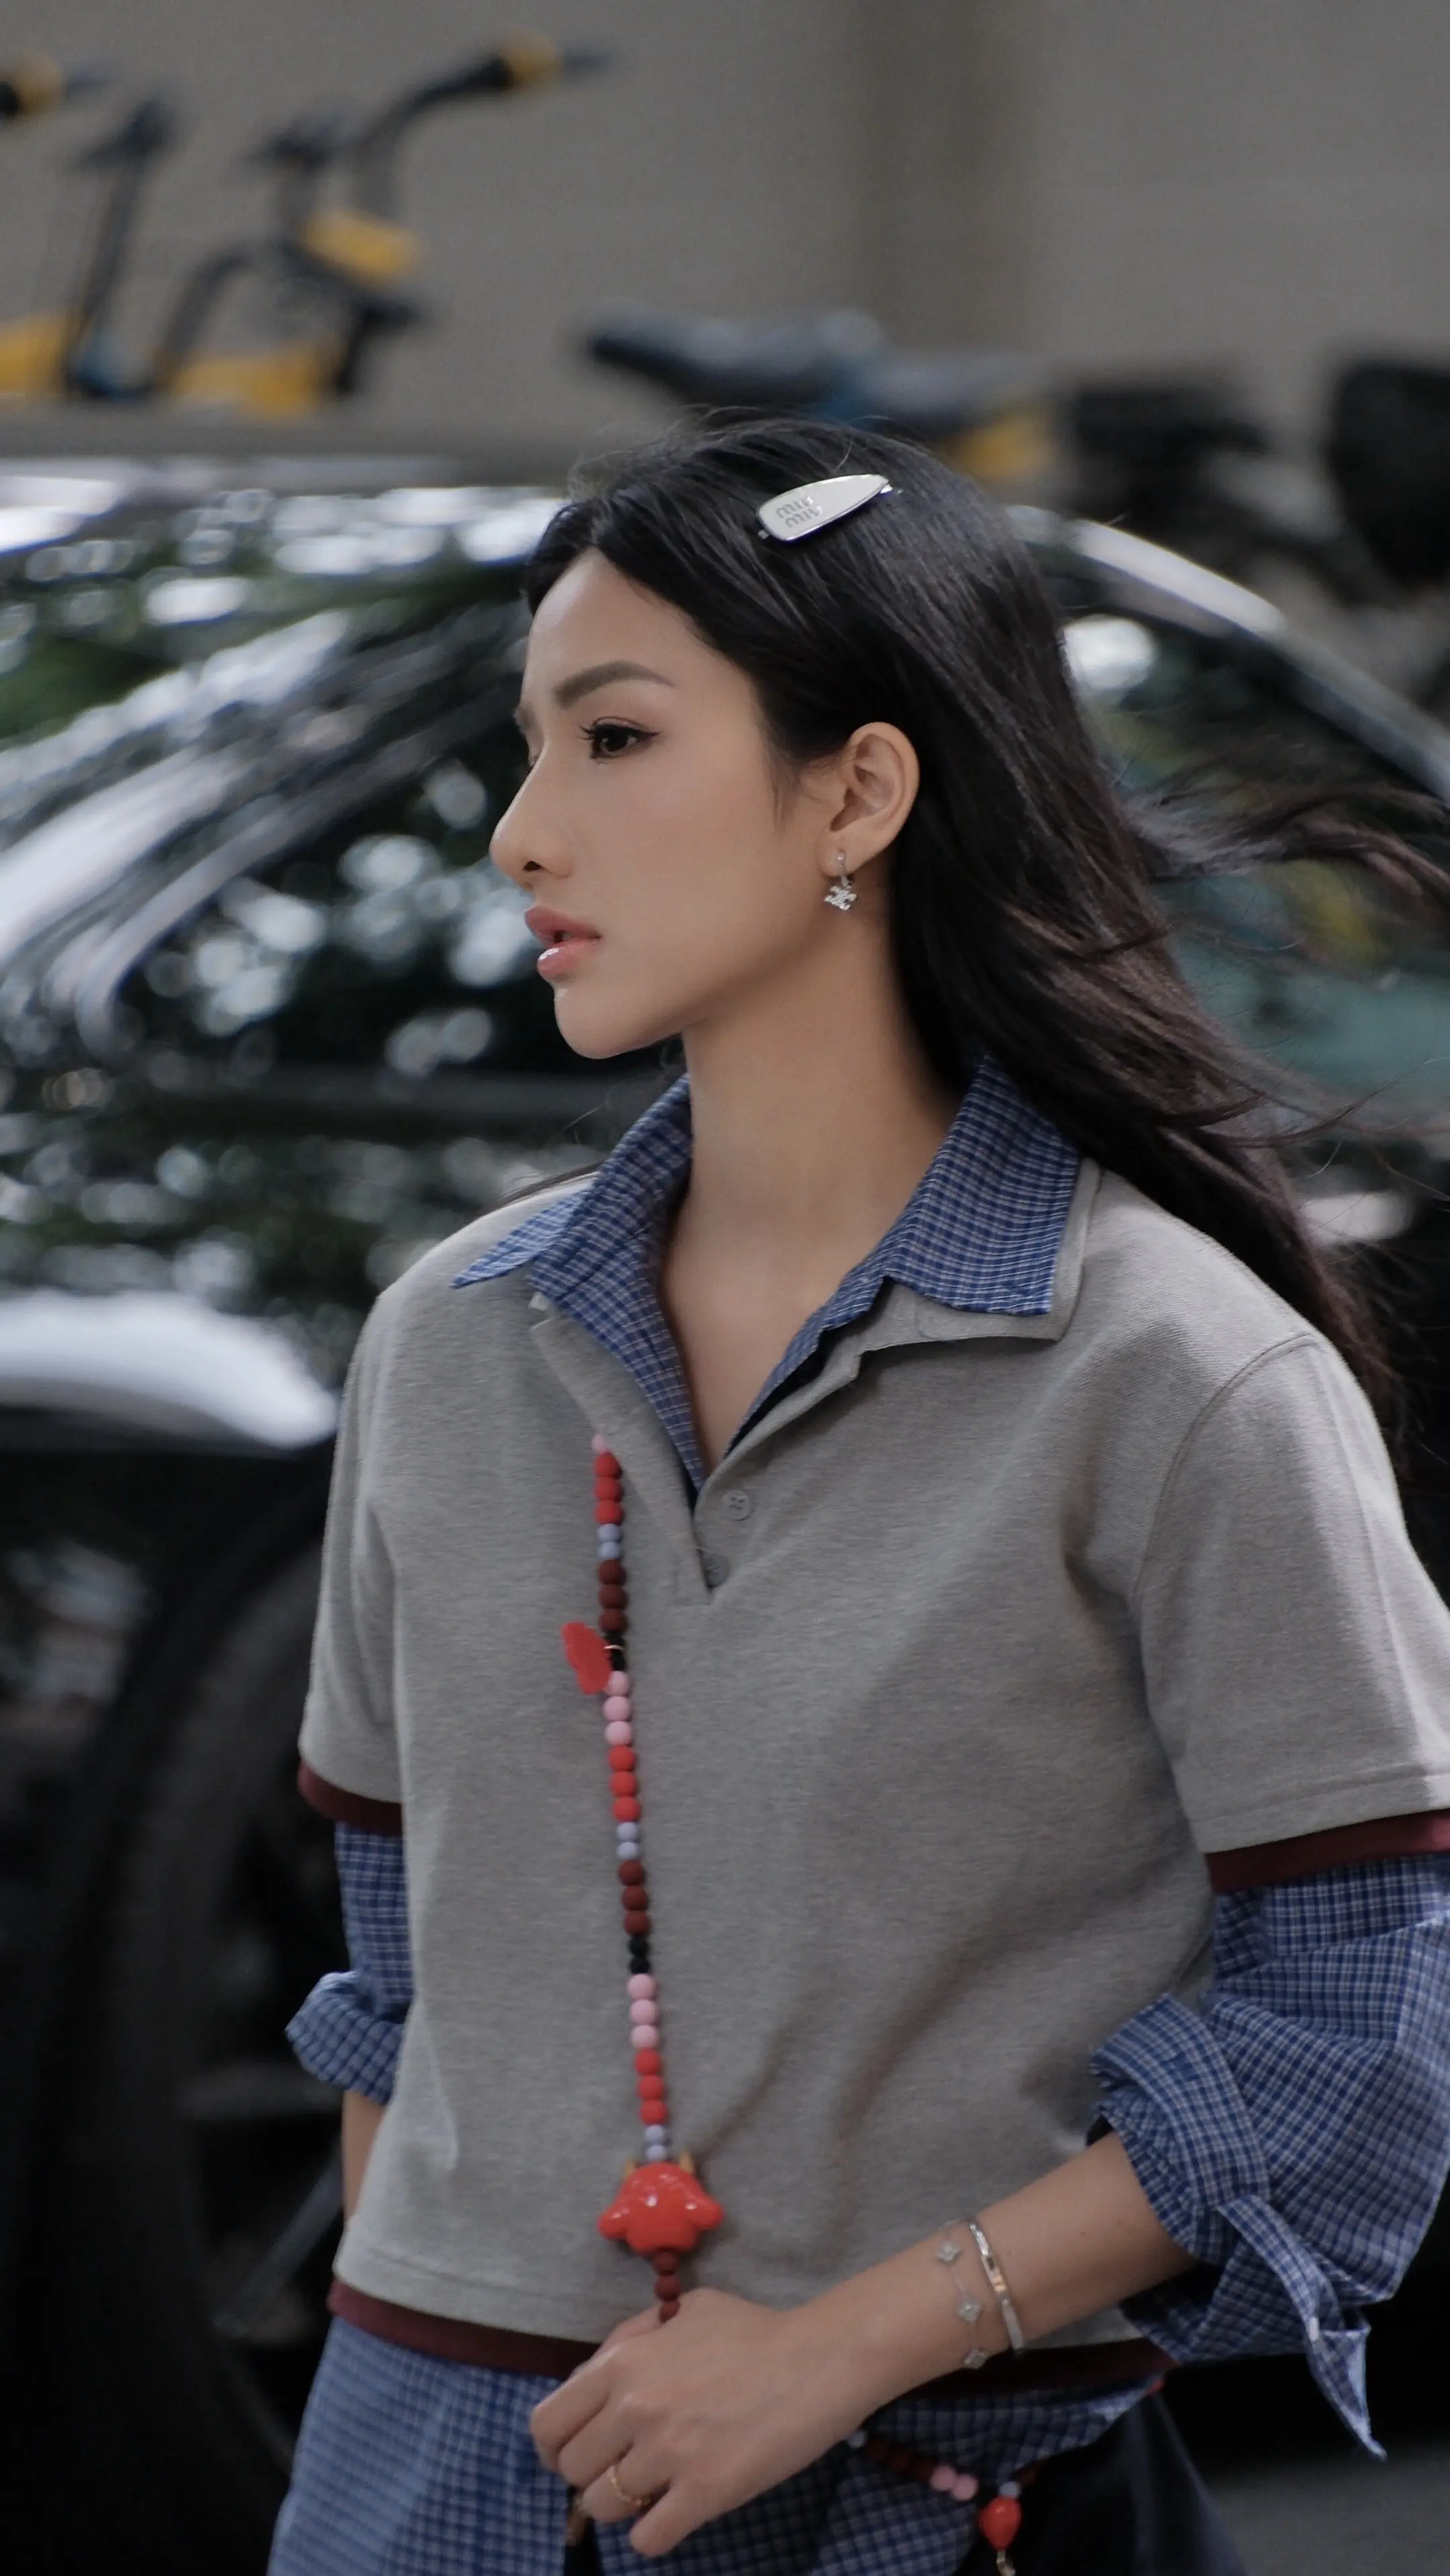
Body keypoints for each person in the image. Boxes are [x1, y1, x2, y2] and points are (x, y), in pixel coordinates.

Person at [271, 421, 1450, 2576]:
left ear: (860, 792)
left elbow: (1353, 2036)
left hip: (936, 2498)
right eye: (529, 747)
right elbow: (397, 1976)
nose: (525, 830)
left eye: (616, 736)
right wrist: (432, 2370)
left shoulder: (1184, 1375)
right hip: (428, 2484)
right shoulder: (445, 1342)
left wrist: (840, 2345)